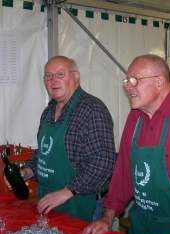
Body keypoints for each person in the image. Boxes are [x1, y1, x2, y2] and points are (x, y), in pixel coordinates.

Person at [82, 54, 170, 234]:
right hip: (141, 229)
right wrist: (107, 217)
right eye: (127, 80)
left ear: (159, 82)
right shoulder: (135, 117)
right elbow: (123, 173)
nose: (128, 86)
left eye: (134, 79)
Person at [21, 55, 116, 221]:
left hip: (80, 203)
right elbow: (44, 153)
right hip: (49, 202)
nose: (53, 81)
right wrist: (27, 171)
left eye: (60, 75)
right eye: (48, 76)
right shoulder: (48, 111)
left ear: (76, 77)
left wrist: (67, 191)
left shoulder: (92, 110)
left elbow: (102, 162)